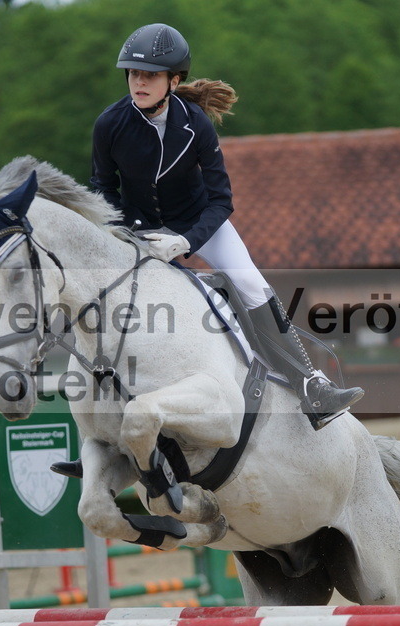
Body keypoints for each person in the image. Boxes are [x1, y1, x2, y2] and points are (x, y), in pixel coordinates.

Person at [91, 23, 363, 430]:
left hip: (200, 222)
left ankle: (310, 386)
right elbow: (101, 187)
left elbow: (222, 200)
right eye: (133, 74)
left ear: (173, 80)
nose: (139, 82)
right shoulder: (109, 124)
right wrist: (131, 232)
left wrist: (186, 239)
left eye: (149, 75)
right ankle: (102, 421)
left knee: (250, 283)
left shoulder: (195, 123)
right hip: (139, 231)